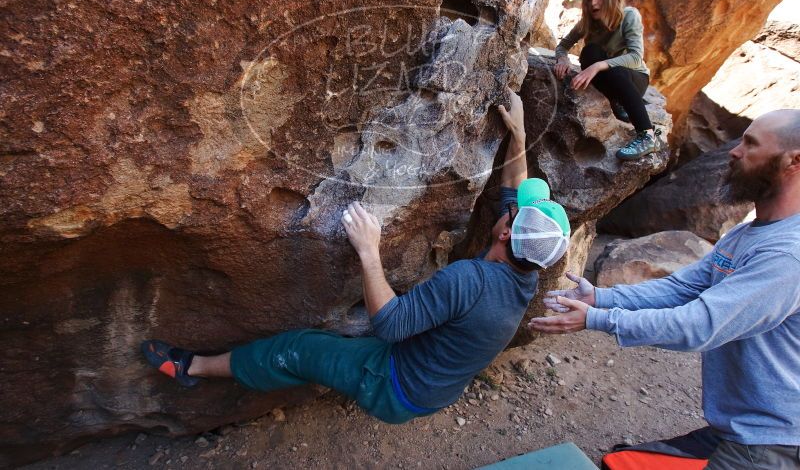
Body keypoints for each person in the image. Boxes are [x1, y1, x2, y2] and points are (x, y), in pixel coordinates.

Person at [140, 88, 571, 424]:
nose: (511, 205)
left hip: (396, 387)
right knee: (332, 346)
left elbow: (391, 325)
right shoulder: (522, 267)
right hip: (436, 388)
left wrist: (369, 250)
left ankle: (191, 366)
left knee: (297, 349)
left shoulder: (470, 281)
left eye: (515, 211)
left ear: (507, 229)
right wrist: (518, 135)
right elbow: (515, 193)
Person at [530, 109, 800, 469]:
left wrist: (601, 319)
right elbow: (685, 286)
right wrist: (602, 297)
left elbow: (699, 325)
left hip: (768, 442)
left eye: (750, 144)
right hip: (738, 426)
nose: (734, 151)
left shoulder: (786, 256)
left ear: (794, 161)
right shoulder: (750, 232)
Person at [554, 0, 656, 161]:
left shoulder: (629, 16)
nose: (593, 3)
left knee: (606, 66)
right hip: (610, 82)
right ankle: (617, 101)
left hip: (633, 79)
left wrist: (598, 66)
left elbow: (635, 57)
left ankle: (647, 135)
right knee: (590, 52)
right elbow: (562, 46)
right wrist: (562, 60)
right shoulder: (587, 23)